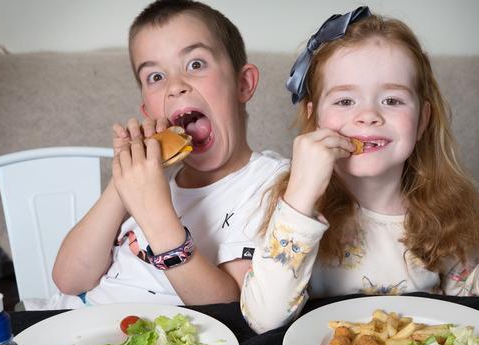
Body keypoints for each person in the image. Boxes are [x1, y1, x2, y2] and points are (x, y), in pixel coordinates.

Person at [240, 7, 479, 333]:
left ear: (422, 120)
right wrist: (300, 197)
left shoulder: (460, 205)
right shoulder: (288, 203)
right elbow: (263, 321)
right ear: (314, 119)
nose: (368, 116)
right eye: (344, 101)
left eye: (392, 101)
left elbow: (465, 312)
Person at [25, 0, 288, 310]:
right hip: (68, 318)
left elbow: (233, 310)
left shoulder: (275, 185)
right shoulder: (150, 180)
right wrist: (124, 182)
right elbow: (69, 281)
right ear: (147, 110)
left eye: (195, 64)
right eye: (155, 77)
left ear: (243, 84)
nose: (175, 87)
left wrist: (154, 212)